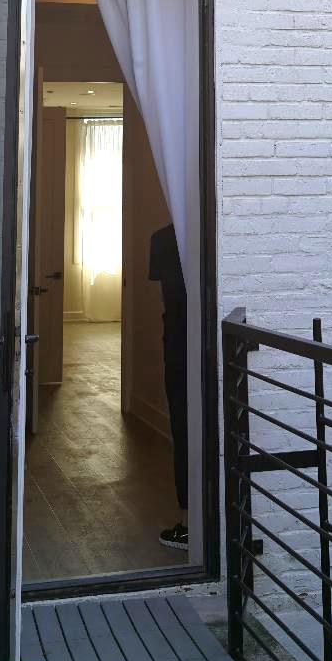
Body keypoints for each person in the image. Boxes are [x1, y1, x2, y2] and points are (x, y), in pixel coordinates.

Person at [148, 222, 188, 552]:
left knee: (183, 425)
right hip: (191, 345)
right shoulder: (206, 234)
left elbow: (162, 299)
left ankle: (190, 522)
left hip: (176, 345)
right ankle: (196, 521)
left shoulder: (162, 239)